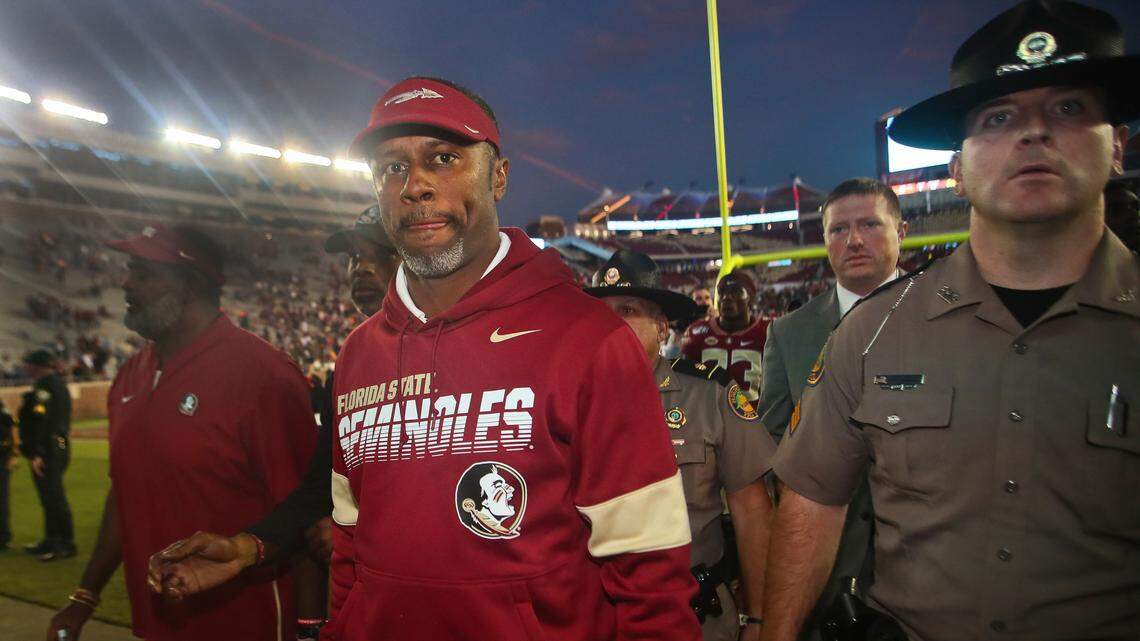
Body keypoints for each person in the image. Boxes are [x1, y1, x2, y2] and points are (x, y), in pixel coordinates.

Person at [761, 2, 1140, 640]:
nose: (1035, 133)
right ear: (958, 171)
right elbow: (814, 502)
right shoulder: (873, 330)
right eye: (999, 117)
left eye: (1070, 107)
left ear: (1118, 146)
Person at [322, 76, 699, 640]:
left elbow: (650, 573)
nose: (415, 185)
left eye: (443, 158)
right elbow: (350, 541)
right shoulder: (358, 352)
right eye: (391, 168)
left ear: (498, 176)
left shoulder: (589, 338)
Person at [48, 224, 318, 641]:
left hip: (247, 622)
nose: (125, 283)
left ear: (190, 285)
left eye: (142, 272)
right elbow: (125, 492)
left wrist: (310, 631)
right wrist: (85, 595)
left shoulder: (262, 376)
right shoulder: (130, 374)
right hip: (157, 621)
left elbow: (307, 516)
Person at [143, 207, 401, 640]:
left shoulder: (466, 352)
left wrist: (360, 537)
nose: (362, 269)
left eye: (382, 254)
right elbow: (319, 487)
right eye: (354, 258)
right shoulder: (354, 361)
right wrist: (246, 547)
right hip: (366, 606)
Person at [585, 249, 777, 641]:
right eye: (601, 314)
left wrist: (759, 617)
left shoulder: (709, 395)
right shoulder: (566, 400)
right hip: (595, 618)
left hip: (694, 617)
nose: (610, 324)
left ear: (661, 327)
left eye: (627, 311)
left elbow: (752, 511)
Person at [755, 178, 906, 639]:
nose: (854, 239)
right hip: (825, 572)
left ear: (901, 230)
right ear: (824, 241)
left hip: (922, 566)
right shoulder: (790, 332)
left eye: (869, 225)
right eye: (839, 230)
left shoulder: (946, 319)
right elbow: (771, 443)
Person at [17, 348, 74, 561]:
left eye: (28, 363)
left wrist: (37, 452)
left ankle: (65, 543)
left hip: (49, 449)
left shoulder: (46, 388)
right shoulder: (53, 385)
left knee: (54, 497)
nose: (25, 367)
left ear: (36, 366)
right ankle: (51, 539)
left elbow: (43, 422)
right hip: (53, 447)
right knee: (49, 497)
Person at [683, 272, 770, 401]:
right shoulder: (697, 331)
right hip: (710, 417)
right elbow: (687, 386)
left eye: (736, 292)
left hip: (753, 418)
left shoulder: (767, 331)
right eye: (721, 292)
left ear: (750, 298)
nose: (726, 297)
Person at [0, 399, 15, 551]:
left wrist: (14, 455)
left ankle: (4, 537)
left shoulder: (4, 414)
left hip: (2, 459)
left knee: (2, 500)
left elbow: (13, 434)